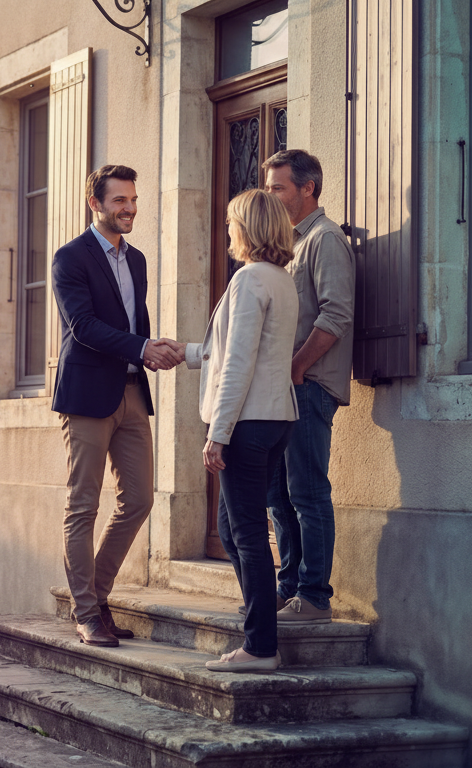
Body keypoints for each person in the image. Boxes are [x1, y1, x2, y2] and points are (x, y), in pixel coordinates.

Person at [51, 164, 185, 647]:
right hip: (87, 397)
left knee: (140, 499)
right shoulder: (70, 258)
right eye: (118, 201)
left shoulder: (139, 260)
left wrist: (150, 348)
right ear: (96, 204)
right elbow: (82, 326)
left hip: (131, 393)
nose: (129, 208)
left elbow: (132, 322)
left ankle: (97, 597)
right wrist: (139, 347)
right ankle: (87, 614)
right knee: (82, 505)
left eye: (132, 199)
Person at [184, 189, 299, 672]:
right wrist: (186, 351)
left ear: (248, 228)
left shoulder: (250, 280)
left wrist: (218, 433)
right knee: (234, 530)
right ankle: (260, 624)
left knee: (247, 533)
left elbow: (239, 363)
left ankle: (259, 648)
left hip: (248, 422)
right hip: (276, 418)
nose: (227, 231)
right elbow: (231, 351)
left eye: (232, 222)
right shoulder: (280, 280)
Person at [261, 149, 355, 625]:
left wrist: (297, 369)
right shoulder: (289, 243)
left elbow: (336, 315)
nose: (271, 196)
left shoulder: (324, 239)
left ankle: (316, 597)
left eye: (278, 188)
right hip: (283, 389)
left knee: (307, 493)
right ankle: (289, 587)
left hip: (309, 386)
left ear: (307, 188)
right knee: (277, 493)